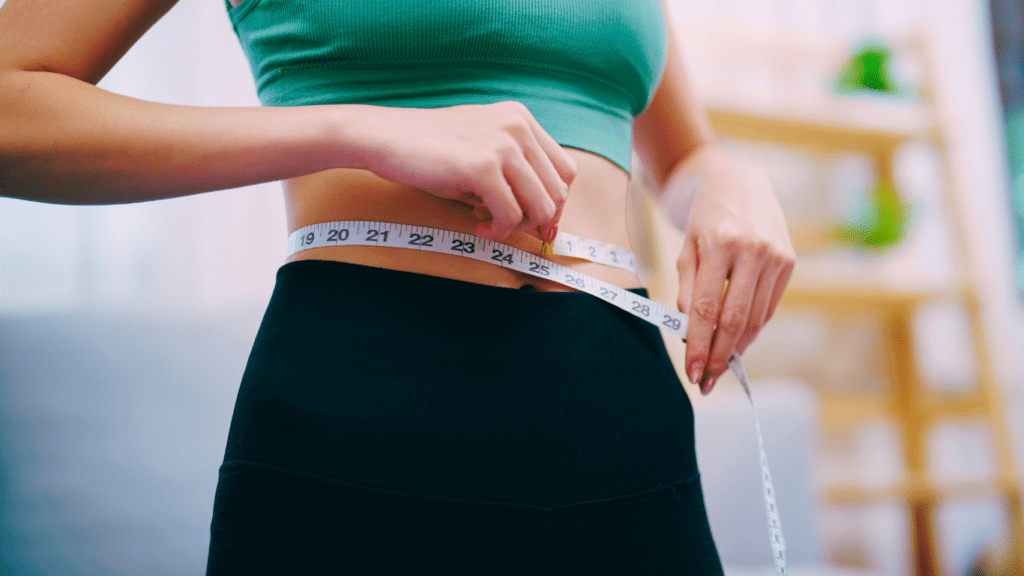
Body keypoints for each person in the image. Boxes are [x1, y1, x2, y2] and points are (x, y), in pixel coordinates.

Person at [0, 0, 795, 572]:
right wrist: (360, 129)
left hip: (624, 416)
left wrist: (732, 177)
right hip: (361, 413)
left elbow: (684, 157)